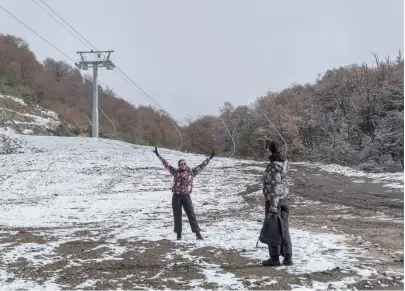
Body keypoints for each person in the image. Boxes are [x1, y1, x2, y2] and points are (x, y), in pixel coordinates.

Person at [153, 146, 215, 240]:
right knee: (177, 215)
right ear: (179, 166)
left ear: (186, 164)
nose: (183, 165)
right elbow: (166, 164)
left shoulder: (192, 172)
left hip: (186, 196)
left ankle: (197, 233)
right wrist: (158, 155)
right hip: (176, 197)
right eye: (181, 164)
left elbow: (202, 166)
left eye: (184, 163)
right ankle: (179, 234)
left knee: (191, 214)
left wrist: (210, 157)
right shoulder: (175, 172)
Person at [261, 140, 293, 266]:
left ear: (270, 151)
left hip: (275, 201)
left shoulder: (273, 166)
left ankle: (274, 258)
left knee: (273, 229)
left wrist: (273, 205)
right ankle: (288, 257)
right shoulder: (284, 162)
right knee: (284, 228)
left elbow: (275, 186)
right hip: (285, 200)